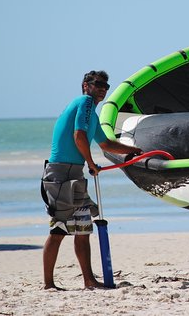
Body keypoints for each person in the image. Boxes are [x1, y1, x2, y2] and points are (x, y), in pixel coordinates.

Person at [42, 70, 142, 290]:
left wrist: (135, 150)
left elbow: (106, 144)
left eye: (106, 86)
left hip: (74, 174)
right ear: (85, 85)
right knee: (58, 230)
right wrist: (91, 163)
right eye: (98, 84)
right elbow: (78, 136)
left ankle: (89, 281)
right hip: (60, 174)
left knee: (83, 229)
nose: (102, 89)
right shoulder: (85, 102)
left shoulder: (92, 115)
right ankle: (49, 284)